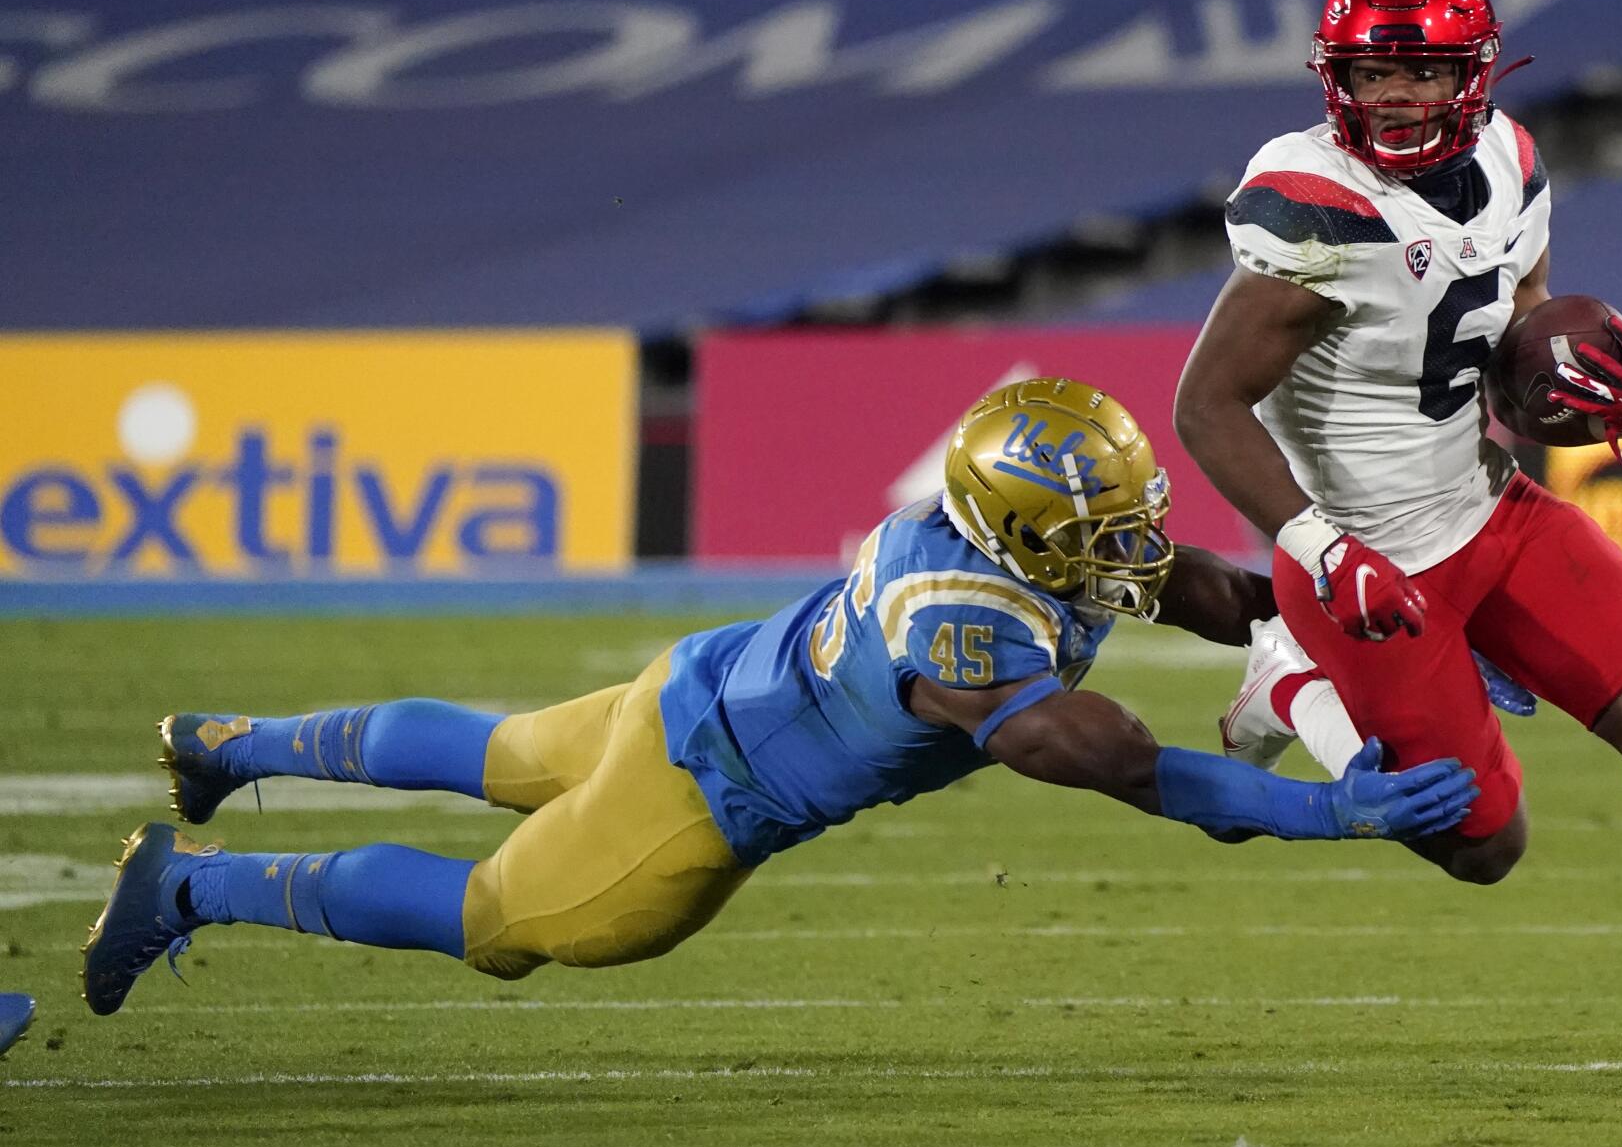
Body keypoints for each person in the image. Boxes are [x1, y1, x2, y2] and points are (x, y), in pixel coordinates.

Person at [82, 378, 1478, 1015]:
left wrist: (1404, 646)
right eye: (1097, 527)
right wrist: (1327, 815)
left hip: (706, 676)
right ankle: (193, 884)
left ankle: (231, 742)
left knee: (506, 751)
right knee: (499, 923)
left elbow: (1226, 594)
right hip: (704, 791)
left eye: (1127, 517)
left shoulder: (993, 529)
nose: (1129, 546)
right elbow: (1149, 772)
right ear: (1021, 532)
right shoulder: (973, 642)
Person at [1173, 0, 1622, 1082]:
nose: (1391, 96)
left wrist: (1563, 379)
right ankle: (1288, 670)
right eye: (1367, 72)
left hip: (1487, 508)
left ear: (1474, 75)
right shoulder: (1313, 206)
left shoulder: (1510, 159)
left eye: (1419, 71)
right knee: (1481, 843)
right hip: (1363, 558)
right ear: (1329, 76)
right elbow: (1205, 406)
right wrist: (1316, 549)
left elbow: (1510, 323)